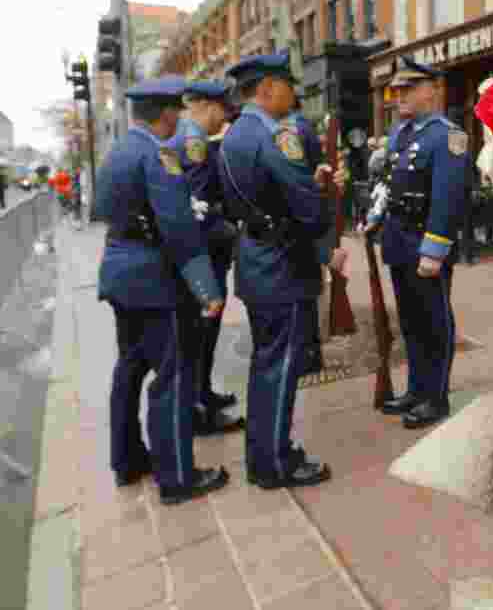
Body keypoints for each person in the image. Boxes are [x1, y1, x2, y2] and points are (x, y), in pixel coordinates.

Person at [94, 76, 230, 506]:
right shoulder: (159, 157)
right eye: (178, 111)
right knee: (172, 377)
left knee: (129, 369)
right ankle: (176, 477)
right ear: (168, 113)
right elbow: (179, 230)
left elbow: (102, 211)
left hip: (119, 270)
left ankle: (127, 460)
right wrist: (207, 290)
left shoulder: (117, 152)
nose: (180, 118)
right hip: (155, 280)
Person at [218, 51, 345, 489]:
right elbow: (303, 205)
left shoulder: (235, 135)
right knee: (281, 368)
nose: (294, 93)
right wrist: (327, 240)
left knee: (267, 366)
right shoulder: (276, 137)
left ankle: (265, 454)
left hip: (257, 258)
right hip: (283, 265)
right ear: (267, 88)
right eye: (287, 85)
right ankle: (274, 462)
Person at [369, 56, 472, 429]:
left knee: (434, 321)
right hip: (398, 241)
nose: (400, 97)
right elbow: (391, 186)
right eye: (397, 90)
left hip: (425, 243)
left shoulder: (448, 136)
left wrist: (434, 250)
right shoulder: (402, 134)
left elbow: (448, 199)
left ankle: (436, 397)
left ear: (432, 90)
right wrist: (375, 218)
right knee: (411, 322)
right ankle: (416, 389)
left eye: (409, 89)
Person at [166, 80, 246, 436]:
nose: (223, 120)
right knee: (201, 334)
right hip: (203, 259)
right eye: (223, 113)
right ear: (210, 108)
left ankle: (203, 394)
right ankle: (199, 409)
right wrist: (230, 231)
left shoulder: (185, 137)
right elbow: (197, 211)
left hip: (200, 258)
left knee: (204, 334)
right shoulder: (195, 143)